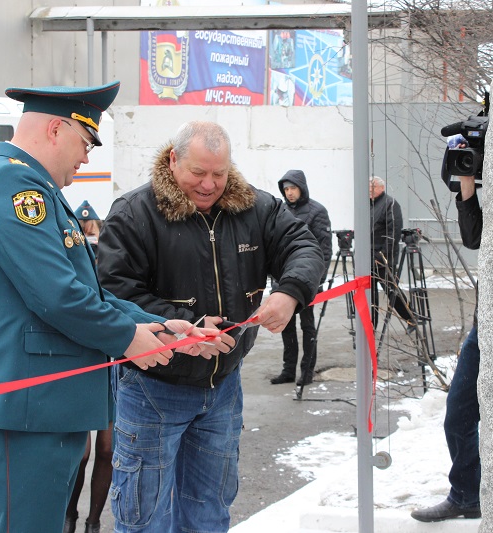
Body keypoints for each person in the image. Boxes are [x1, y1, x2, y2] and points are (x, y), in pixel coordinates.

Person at [0, 82, 229, 533]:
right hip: (21, 405)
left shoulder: (32, 185)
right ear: (56, 129)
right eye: (85, 141)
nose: (87, 156)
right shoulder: (13, 183)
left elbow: (87, 292)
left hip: (36, 406)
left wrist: (162, 327)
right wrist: (128, 339)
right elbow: (57, 296)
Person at [96, 120, 324, 532]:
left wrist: (289, 291)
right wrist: (175, 328)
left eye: (219, 174)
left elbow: (303, 245)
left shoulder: (256, 207)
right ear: (172, 160)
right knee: (143, 519)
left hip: (223, 388)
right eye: (197, 173)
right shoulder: (134, 214)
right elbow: (114, 291)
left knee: (209, 514)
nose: (208, 185)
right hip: (152, 388)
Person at [411, 135, 483, 522]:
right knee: (457, 414)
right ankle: (467, 495)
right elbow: (474, 239)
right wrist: (467, 184)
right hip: (488, 320)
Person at [64, 200, 108, 533]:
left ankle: (93, 521)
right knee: (81, 452)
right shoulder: (69, 257)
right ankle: (70, 516)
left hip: (110, 363)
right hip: (83, 362)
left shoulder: (109, 255)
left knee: (106, 450)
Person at [270, 170, 332, 386]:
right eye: (286, 189)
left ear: (301, 188)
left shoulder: (317, 212)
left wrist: (316, 281)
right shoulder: (280, 210)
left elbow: (324, 250)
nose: (289, 193)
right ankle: (288, 370)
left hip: (308, 282)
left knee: (307, 327)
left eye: (293, 188)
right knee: (285, 327)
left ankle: (307, 371)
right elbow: (273, 247)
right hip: (282, 281)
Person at [369, 175, 417, 330]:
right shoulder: (368, 205)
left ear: (381, 188)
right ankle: (370, 326)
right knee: (370, 296)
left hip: (384, 257)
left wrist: (382, 255)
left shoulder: (390, 204)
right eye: (369, 187)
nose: (370, 190)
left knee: (392, 293)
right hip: (367, 257)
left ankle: (411, 318)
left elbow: (393, 233)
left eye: (373, 187)